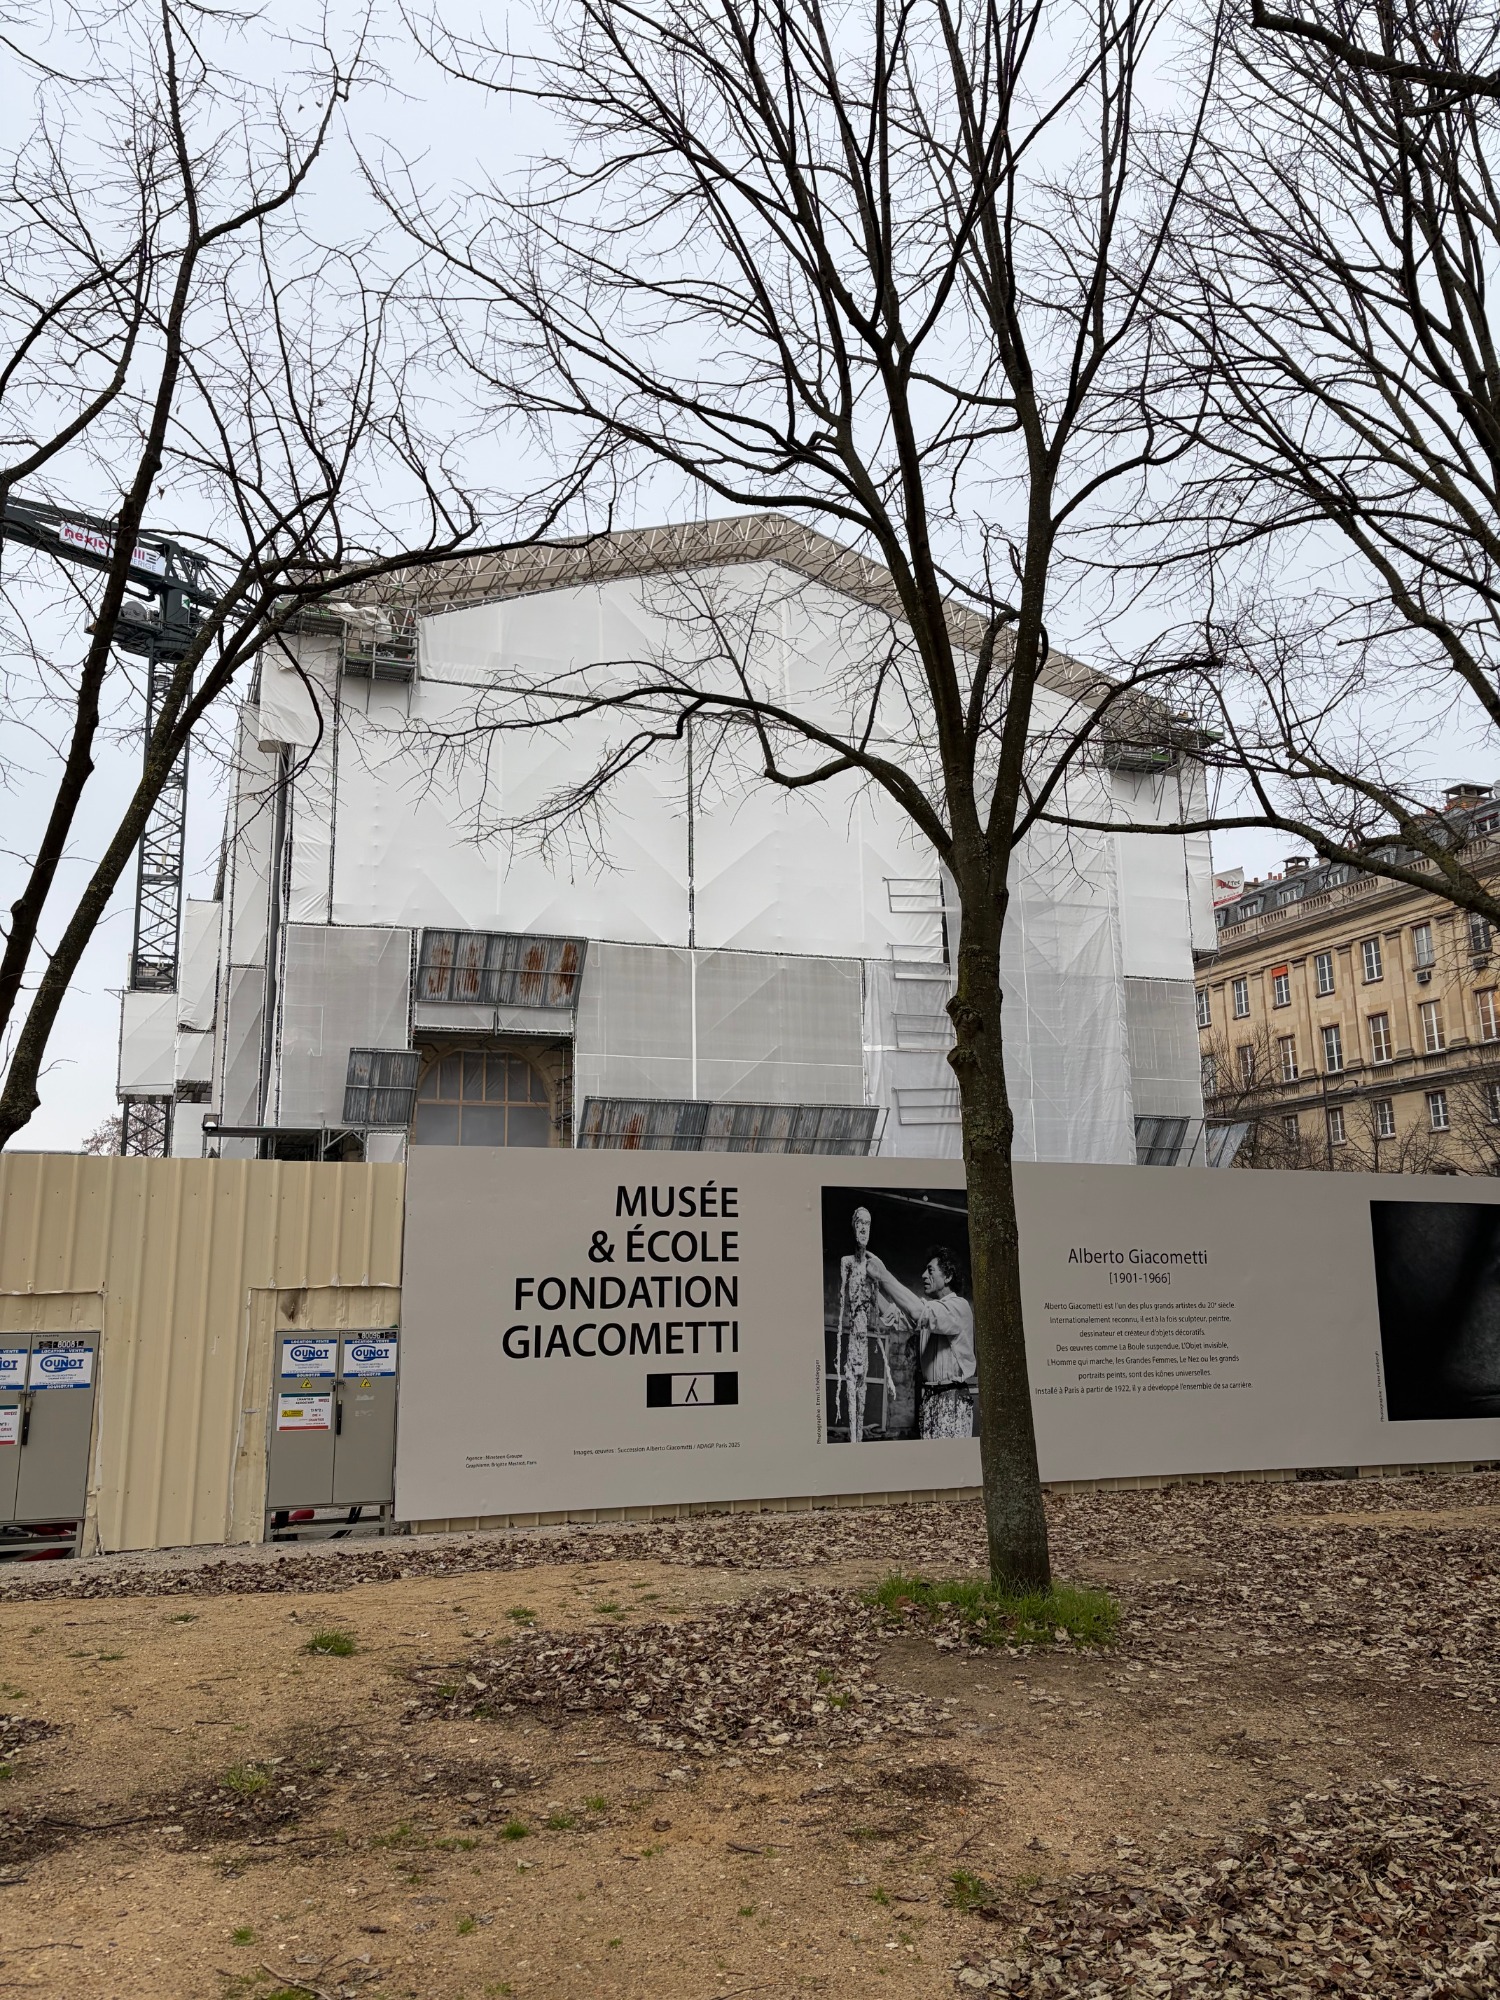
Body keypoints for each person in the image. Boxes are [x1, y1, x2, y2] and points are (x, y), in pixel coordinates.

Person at [866, 1243, 976, 1438]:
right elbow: (895, 1317)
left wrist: (883, 1274)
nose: (924, 1275)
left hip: (952, 1399)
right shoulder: (932, 1311)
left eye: (930, 1270)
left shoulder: (959, 1307)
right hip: (931, 1398)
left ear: (948, 1276)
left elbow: (917, 1311)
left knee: (948, 1456)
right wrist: (871, 1288)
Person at [835, 1206, 878, 1443]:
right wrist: (839, 1349)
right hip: (852, 1341)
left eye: (868, 1224)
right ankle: (853, 1444)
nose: (863, 1228)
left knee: (862, 1402)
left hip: (865, 1342)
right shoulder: (847, 1263)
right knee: (851, 1398)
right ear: (854, 1226)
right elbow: (842, 1306)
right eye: (860, 1223)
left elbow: (877, 1307)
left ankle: (859, 1443)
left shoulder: (873, 1266)